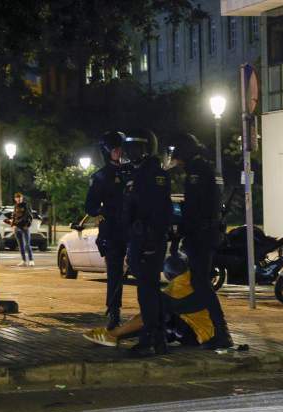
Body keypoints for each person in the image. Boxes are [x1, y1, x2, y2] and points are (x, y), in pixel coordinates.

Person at [168, 133, 233, 349]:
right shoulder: (209, 168)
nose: (177, 161)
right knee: (198, 283)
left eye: (178, 156)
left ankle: (220, 331)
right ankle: (199, 329)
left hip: (201, 235)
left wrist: (179, 232)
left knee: (201, 284)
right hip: (210, 232)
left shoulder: (197, 172)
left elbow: (194, 209)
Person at [83, 253, 227, 349]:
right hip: (208, 333)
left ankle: (113, 335)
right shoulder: (191, 280)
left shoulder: (176, 290)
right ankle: (117, 335)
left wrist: (115, 333)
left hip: (201, 337)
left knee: (152, 314)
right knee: (158, 314)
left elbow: (146, 317)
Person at [122, 129, 173, 357]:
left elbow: (156, 211)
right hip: (144, 238)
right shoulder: (145, 172)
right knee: (149, 290)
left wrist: (148, 240)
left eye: (136, 148)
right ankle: (157, 338)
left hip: (147, 240)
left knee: (147, 292)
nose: (131, 152)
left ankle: (151, 337)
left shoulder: (150, 174)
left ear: (146, 149)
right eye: (129, 148)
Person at [85, 131, 129, 330]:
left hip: (133, 228)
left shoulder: (131, 171)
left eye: (120, 148)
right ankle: (114, 312)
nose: (119, 152)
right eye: (115, 149)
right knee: (114, 273)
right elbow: (90, 206)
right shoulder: (101, 176)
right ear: (107, 151)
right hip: (113, 230)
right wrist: (103, 212)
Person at [11, 192, 34, 267]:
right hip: (17, 228)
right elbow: (14, 216)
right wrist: (13, 225)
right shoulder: (15, 206)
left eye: (20, 198)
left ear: (22, 198)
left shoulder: (26, 205)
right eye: (17, 198)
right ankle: (23, 260)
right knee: (20, 245)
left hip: (24, 227)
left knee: (27, 244)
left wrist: (27, 225)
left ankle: (31, 260)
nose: (18, 199)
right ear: (15, 199)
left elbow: (30, 216)